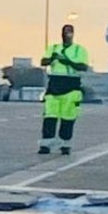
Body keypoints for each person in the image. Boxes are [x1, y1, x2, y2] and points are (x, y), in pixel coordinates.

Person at [40, 23, 91, 155]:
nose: (66, 34)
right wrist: (52, 58)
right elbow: (43, 61)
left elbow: (83, 67)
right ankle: (46, 145)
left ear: (73, 34)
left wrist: (67, 62)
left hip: (71, 86)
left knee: (68, 118)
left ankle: (65, 145)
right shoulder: (54, 48)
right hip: (54, 85)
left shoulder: (79, 50)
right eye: (64, 32)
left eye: (69, 32)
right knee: (49, 117)